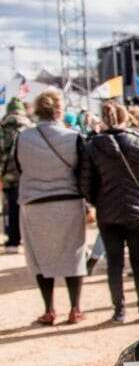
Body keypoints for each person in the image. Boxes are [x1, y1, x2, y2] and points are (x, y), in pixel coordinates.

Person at [80, 102, 139, 323]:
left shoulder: (93, 146)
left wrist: (99, 201)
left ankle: (119, 311)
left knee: (114, 264)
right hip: (137, 211)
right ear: (125, 117)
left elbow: (85, 184)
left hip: (108, 213)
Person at [14, 90, 88, 324]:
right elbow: (83, 173)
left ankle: (49, 309)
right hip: (68, 201)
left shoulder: (22, 137)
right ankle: (75, 308)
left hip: (34, 204)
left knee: (40, 258)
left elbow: (18, 167)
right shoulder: (73, 137)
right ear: (59, 109)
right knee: (73, 255)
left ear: (37, 110)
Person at [0, 97, 32, 253]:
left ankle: (13, 241)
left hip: (7, 175)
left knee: (10, 208)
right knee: (27, 208)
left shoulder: (2, 127)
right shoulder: (29, 127)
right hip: (26, 174)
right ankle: (28, 239)